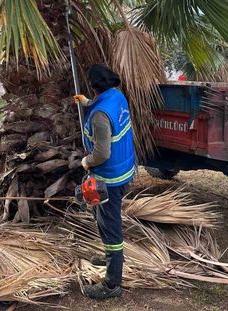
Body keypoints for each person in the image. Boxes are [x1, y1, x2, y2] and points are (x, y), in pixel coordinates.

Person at [73, 64, 136, 300]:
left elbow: (102, 153)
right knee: (102, 219)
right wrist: (87, 102)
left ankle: (111, 285)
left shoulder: (100, 117)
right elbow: (103, 109)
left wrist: (87, 162)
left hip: (109, 177)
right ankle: (110, 258)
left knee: (110, 228)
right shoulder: (117, 97)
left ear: (93, 85)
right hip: (124, 170)